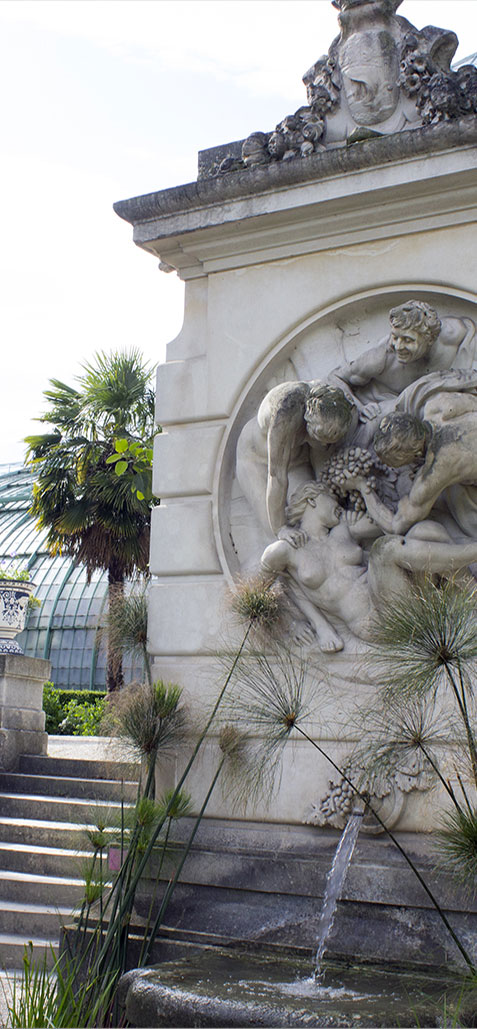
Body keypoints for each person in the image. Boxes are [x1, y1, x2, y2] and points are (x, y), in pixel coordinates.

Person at [261, 481, 477, 652]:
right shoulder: (287, 549)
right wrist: (294, 624)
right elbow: (259, 588)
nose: (338, 505)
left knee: (427, 530)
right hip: (376, 621)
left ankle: (473, 597)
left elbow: (393, 524)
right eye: (332, 498)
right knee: (384, 550)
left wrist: (363, 487)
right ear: (313, 500)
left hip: (403, 596)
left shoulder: (343, 530)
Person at [341, 370, 477, 538]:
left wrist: (361, 486)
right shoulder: (437, 404)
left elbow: (396, 526)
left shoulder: (435, 470)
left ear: (416, 454)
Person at [328, 300, 475, 428]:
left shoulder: (455, 335)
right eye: (395, 337)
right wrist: (360, 408)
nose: (398, 346)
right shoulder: (379, 358)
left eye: (407, 340)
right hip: (383, 412)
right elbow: (335, 378)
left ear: (429, 339)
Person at [236, 382, 356, 537]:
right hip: (256, 460)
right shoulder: (286, 413)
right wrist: (280, 529)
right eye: (321, 439)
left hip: (297, 461)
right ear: (309, 423)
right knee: (280, 537)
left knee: (313, 512)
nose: (324, 445)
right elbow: (277, 476)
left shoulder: (331, 401)